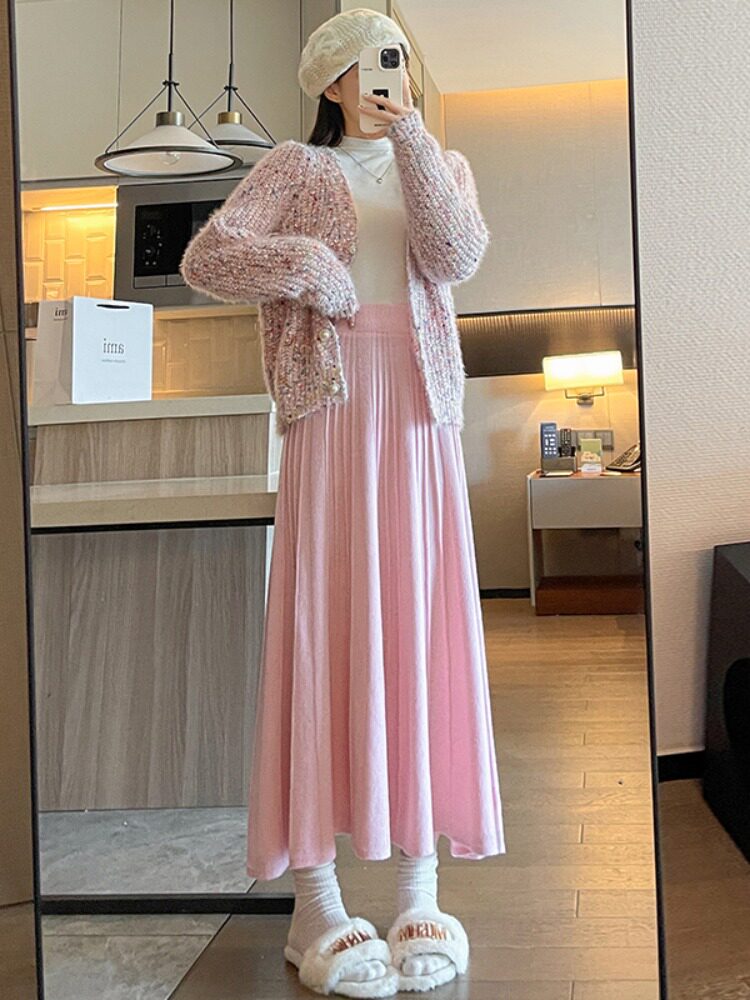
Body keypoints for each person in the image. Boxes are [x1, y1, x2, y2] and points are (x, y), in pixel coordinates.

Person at [180, 8, 506, 997]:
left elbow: (455, 257)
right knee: (324, 626)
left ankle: (418, 885)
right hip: (329, 405)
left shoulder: (440, 162)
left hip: (420, 410)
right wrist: (310, 266)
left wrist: (414, 140)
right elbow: (208, 258)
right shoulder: (295, 166)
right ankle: (315, 901)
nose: (387, 77)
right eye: (369, 64)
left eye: (399, 61)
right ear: (330, 80)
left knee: (419, 627)